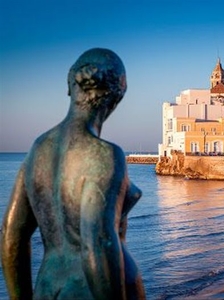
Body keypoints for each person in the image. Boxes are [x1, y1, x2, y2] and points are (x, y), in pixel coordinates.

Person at [1, 48, 146, 299]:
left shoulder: (38, 149)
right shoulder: (105, 154)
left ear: (70, 85)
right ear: (116, 95)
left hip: (48, 287)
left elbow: (10, 237)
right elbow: (98, 244)